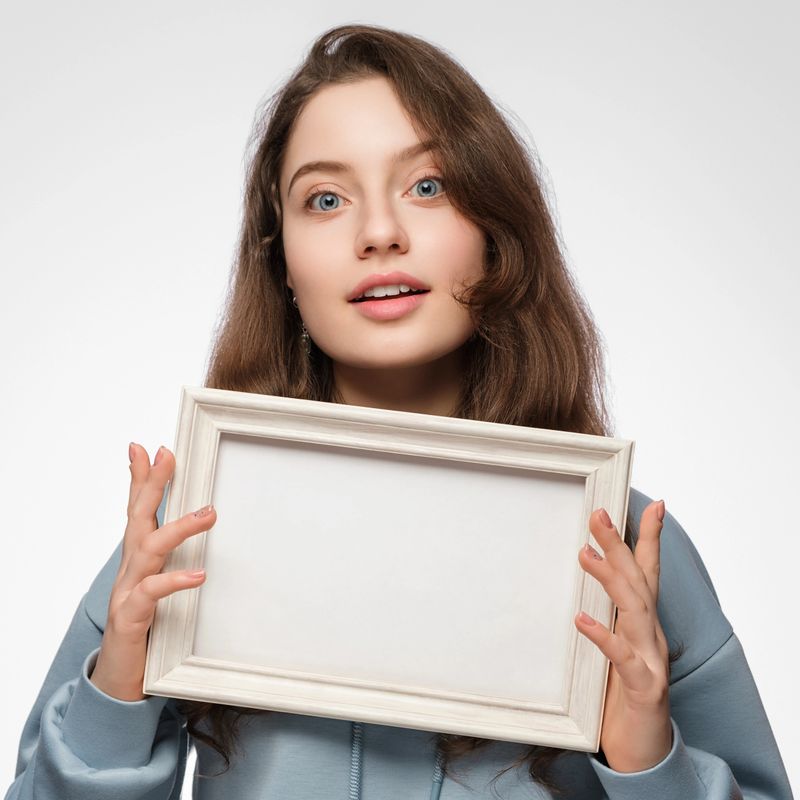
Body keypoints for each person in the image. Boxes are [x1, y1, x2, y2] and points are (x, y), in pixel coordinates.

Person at [5, 22, 793, 800]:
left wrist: (647, 758)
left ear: (494, 230)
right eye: (325, 198)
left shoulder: (623, 551)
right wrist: (117, 689)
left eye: (428, 186)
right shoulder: (191, 532)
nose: (379, 233)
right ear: (280, 261)